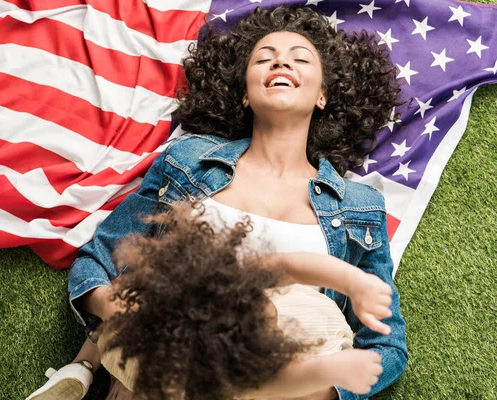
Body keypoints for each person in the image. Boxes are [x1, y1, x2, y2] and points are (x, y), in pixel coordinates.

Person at [26, 5, 407, 400]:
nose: (280, 62)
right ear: (244, 93)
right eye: (264, 58)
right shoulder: (187, 160)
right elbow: (100, 259)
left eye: (300, 58)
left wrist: (319, 393)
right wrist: (123, 316)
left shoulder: (360, 208)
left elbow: (387, 344)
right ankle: (89, 365)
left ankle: (85, 365)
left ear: (323, 94)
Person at [96, 203, 393, 400]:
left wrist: (354, 282)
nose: (274, 331)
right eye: (266, 332)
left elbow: (293, 266)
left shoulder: (226, 279)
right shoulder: (230, 380)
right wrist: (336, 371)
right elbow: (297, 379)